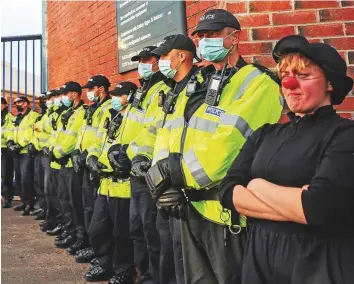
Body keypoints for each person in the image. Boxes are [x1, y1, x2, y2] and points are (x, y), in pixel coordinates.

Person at [146, 9, 283, 284]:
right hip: (188, 205)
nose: (206, 40)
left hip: (224, 213)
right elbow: (171, 130)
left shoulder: (258, 82)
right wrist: (162, 180)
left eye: (214, 34)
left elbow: (230, 142)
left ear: (235, 38)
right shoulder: (199, 83)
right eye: (202, 36)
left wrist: (176, 174)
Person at [220, 34, 354, 284]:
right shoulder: (265, 134)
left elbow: (319, 208)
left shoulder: (345, 135)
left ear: (330, 84)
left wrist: (256, 186)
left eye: (303, 76)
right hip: (259, 261)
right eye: (285, 77)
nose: (290, 84)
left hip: (316, 265)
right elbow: (227, 192)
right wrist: (296, 204)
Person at [134, 34, 205, 284]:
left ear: (182, 55)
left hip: (182, 186)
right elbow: (157, 131)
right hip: (161, 184)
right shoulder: (171, 90)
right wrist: (142, 156)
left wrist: (178, 175)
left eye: (164, 56)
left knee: (182, 258)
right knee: (167, 253)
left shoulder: (200, 87)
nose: (160, 61)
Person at [110, 46, 167, 284]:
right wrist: (118, 150)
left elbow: (152, 130)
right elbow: (131, 129)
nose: (142, 64)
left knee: (151, 234)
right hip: (133, 170)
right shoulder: (142, 91)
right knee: (137, 231)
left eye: (147, 60)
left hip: (147, 170)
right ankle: (144, 276)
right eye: (140, 61)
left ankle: (153, 278)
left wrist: (130, 153)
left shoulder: (161, 90)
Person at [84, 81, 138, 283]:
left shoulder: (135, 118)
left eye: (120, 95)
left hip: (123, 187)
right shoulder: (111, 116)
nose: (115, 98)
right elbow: (98, 141)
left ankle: (124, 272)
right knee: (97, 229)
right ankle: (104, 263)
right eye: (114, 95)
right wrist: (92, 157)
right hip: (104, 184)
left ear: (130, 96)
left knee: (122, 234)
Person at [73, 75, 112, 263]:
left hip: (96, 164)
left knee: (96, 211)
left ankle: (99, 249)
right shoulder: (94, 108)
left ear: (101, 89)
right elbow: (85, 134)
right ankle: (92, 245)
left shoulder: (108, 108)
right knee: (88, 207)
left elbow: (100, 137)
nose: (89, 92)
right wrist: (79, 152)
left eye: (92, 88)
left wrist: (90, 155)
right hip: (87, 162)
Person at [50, 81, 87, 251]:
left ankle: (79, 235)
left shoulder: (81, 113)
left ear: (74, 94)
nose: (63, 97)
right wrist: (55, 152)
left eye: (66, 94)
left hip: (71, 164)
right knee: (64, 199)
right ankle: (70, 230)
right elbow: (60, 136)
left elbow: (72, 139)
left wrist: (57, 153)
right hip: (63, 162)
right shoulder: (68, 112)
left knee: (75, 202)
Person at [7, 96, 39, 216]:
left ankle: (30, 203)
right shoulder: (17, 117)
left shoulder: (33, 116)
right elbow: (11, 130)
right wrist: (10, 141)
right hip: (17, 151)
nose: (17, 104)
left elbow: (30, 132)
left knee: (26, 179)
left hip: (25, 151)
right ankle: (24, 201)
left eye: (19, 102)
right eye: (16, 103)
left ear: (25, 104)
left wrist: (20, 145)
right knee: (19, 178)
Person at [44, 90, 69, 234]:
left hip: (61, 159)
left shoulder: (67, 113)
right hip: (53, 158)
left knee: (63, 197)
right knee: (54, 194)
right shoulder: (55, 113)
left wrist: (56, 153)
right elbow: (51, 132)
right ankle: (58, 222)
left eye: (55, 97)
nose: (53, 100)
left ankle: (62, 224)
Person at [27, 92, 52, 220]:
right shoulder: (41, 116)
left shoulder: (51, 115)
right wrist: (32, 144)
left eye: (45, 99)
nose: (43, 102)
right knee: (38, 182)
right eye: (41, 100)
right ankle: (42, 207)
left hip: (47, 153)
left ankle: (49, 212)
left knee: (47, 185)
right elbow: (35, 133)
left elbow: (50, 133)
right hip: (38, 152)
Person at [1, 97, 15, 208]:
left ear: (5, 105)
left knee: (6, 175)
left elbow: (10, 131)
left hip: (5, 148)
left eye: (1, 104)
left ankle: (7, 198)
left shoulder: (9, 117)